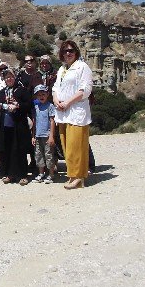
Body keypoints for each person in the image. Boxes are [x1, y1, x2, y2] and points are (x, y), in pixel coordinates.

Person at [52, 40, 94, 189]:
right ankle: (72, 175)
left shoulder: (82, 67)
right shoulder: (62, 69)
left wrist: (68, 102)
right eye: (65, 51)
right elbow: (55, 88)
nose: (68, 53)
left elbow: (85, 90)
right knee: (66, 146)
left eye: (70, 51)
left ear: (76, 52)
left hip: (76, 112)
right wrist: (57, 101)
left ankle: (79, 176)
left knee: (77, 145)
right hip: (63, 113)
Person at [0, 68, 32, 185]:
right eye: (7, 77)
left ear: (15, 78)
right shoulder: (3, 91)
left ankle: (22, 175)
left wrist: (18, 106)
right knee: (7, 149)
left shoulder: (22, 90)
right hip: (5, 125)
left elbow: (28, 105)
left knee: (19, 149)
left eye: (11, 77)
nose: (9, 79)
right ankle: (9, 174)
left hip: (18, 124)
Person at [32, 84, 56, 184]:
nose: (41, 96)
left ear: (47, 94)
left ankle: (51, 174)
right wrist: (33, 136)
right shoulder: (36, 106)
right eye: (39, 95)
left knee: (49, 155)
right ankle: (41, 173)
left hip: (47, 135)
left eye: (43, 94)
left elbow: (52, 121)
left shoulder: (50, 106)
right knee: (39, 155)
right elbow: (34, 121)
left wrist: (51, 136)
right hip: (38, 135)